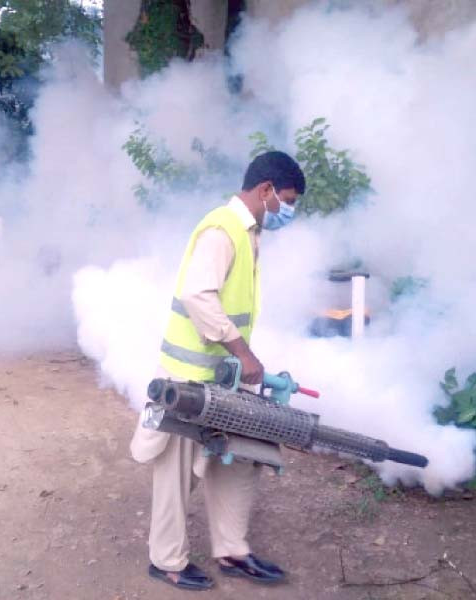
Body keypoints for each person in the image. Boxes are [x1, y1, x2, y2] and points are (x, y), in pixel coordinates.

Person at [130, 151, 305, 591]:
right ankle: (166, 560)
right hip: (185, 378)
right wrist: (245, 355)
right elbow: (197, 295)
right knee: (175, 471)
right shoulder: (222, 229)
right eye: (287, 199)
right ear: (265, 190)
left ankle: (232, 550)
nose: (288, 210)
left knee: (239, 459)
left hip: (219, 376)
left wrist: (238, 360)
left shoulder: (247, 232)